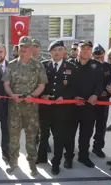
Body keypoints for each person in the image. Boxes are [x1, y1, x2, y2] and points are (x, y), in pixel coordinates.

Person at [2, 36, 48, 176]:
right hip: (14, 107)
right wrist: (11, 95)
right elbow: (6, 84)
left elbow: (41, 85)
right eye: (21, 47)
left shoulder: (38, 65)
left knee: (31, 136)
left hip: (31, 108)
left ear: (31, 48)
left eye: (26, 47)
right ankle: (13, 162)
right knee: (14, 136)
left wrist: (33, 96)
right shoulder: (11, 65)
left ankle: (32, 164)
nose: (23, 49)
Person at [37, 40, 77, 175]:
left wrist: (64, 97)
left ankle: (56, 163)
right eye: (54, 50)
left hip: (62, 110)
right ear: (50, 52)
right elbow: (37, 83)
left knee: (58, 137)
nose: (57, 52)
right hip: (45, 107)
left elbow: (74, 87)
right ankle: (41, 157)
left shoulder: (71, 67)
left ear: (64, 51)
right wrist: (42, 96)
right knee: (43, 135)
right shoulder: (43, 66)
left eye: (60, 49)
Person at [70, 40, 103, 168]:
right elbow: (66, 84)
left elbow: (100, 83)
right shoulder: (70, 64)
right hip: (72, 106)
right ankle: (69, 157)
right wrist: (73, 97)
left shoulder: (96, 65)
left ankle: (83, 157)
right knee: (69, 134)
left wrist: (96, 94)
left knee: (86, 133)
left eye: (89, 49)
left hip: (89, 106)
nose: (86, 51)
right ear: (77, 50)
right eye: (83, 48)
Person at [91, 44, 111, 158]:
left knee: (101, 125)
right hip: (91, 100)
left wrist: (107, 92)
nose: (100, 59)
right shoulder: (89, 66)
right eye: (97, 57)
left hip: (103, 100)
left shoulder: (109, 67)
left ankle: (98, 147)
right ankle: (83, 148)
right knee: (88, 125)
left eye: (101, 57)